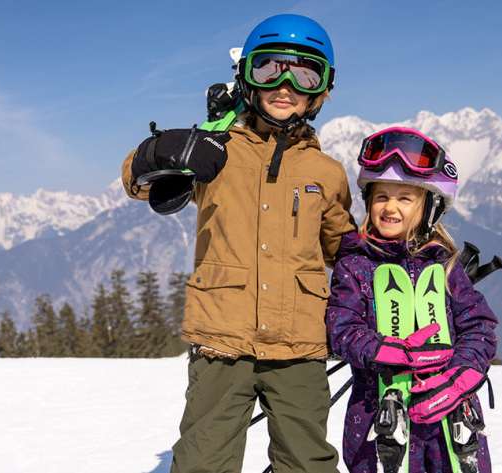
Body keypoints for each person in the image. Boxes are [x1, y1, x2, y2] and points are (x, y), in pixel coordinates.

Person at [121, 14, 356, 473]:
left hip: (299, 345)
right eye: (269, 69)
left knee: (307, 462)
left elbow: (343, 249)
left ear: (322, 90)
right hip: (221, 340)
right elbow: (137, 181)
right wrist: (163, 153)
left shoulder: (326, 172)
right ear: (246, 77)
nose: (285, 84)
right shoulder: (216, 149)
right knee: (202, 461)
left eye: (304, 73)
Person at [326, 127, 498, 473]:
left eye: (405, 198)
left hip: (451, 419)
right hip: (379, 416)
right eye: (381, 197)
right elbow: (341, 327)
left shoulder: (446, 266)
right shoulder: (356, 266)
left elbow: (479, 327)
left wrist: (461, 376)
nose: (390, 207)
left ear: (429, 207)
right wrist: (386, 351)